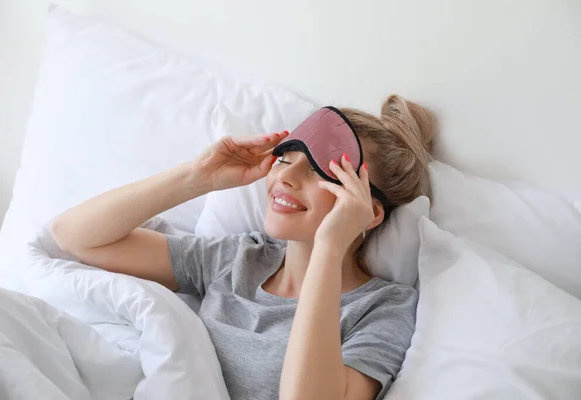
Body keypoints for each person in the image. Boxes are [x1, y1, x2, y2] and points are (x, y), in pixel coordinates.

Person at [51, 94, 435, 400]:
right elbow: (73, 236)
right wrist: (196, 177)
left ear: (369, 212)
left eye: (321, 171)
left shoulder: (383, 309)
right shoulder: (240, 259)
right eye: (286, 156)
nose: (285, 175)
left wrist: (329, 247)